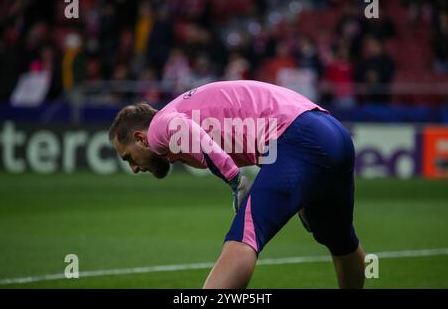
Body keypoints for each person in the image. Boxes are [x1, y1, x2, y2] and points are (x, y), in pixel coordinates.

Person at [108, 80, 365, 289]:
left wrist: (236, 181)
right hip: (333, 132)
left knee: (244, 238)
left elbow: (195, 135)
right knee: (341, 241)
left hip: (299, 137)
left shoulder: (158, 128)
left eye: (128, 157)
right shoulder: (181, 111)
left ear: (140, 138)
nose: (134, 168)